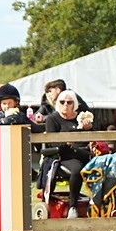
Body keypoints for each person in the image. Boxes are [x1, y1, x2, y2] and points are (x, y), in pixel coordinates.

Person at [42, 90, 95, 218]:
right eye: (62, 102)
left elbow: (94, 137)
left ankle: (100, 203)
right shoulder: (52, 119)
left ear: (74, 104)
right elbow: (51, 144)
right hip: (64, 155)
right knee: (77, 169)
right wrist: (66, 143)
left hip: (84, 152)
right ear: (58, 103)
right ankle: (73, 207)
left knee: (102, 165)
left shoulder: (82, 118)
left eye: (69, 102)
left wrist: (90, 129)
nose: (65, 104)